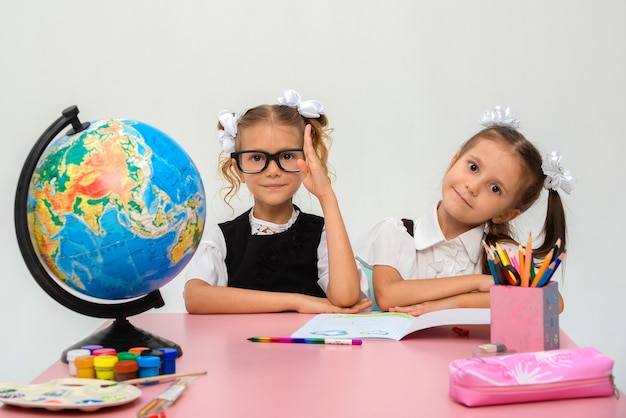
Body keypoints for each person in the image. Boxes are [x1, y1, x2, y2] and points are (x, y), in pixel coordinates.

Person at [354, 106, 575, 315]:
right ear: (453, 162)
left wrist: (453, 303)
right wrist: (476, 283)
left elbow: (553, 302)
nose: (473, 186)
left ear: (506, 214)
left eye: (495, 188)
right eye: (473, 167)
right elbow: (388, 295)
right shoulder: (397, 233)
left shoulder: (501, 255)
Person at [184, 90, 371, 314]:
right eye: (256, 158)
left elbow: (346, 296)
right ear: (238, 169)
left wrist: (326, 196)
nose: (273, 170)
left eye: (287, 156)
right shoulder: (221, 238)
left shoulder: (321, 233)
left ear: (307, 161)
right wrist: (297, 302)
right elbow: (195, 298)